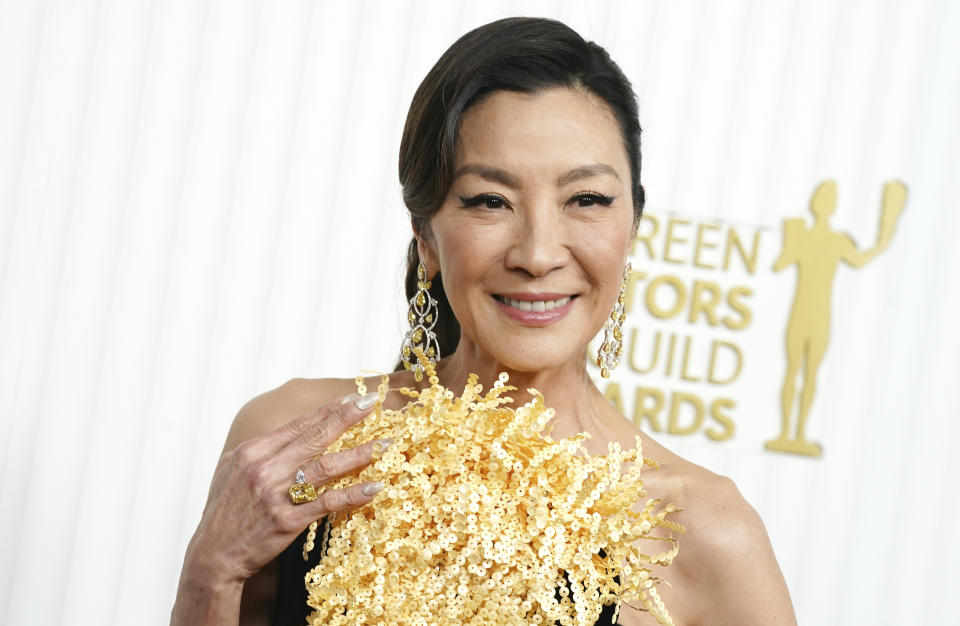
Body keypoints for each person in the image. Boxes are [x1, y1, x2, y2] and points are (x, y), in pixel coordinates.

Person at [171, 16, 797, 626]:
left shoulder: (707, 534)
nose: (538, 254)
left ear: (631, 225)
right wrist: (210, 572)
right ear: (427, 237)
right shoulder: (296, 446)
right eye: (490, 201)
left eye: (587, 200)